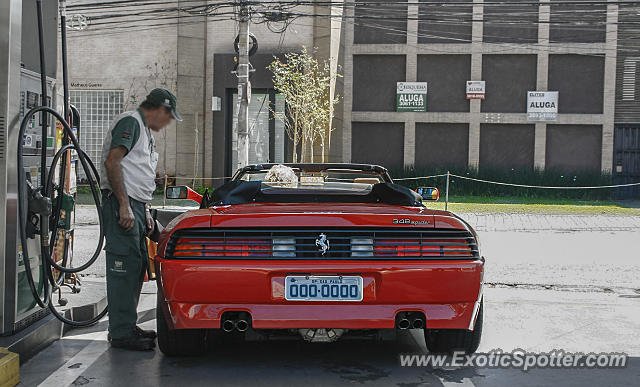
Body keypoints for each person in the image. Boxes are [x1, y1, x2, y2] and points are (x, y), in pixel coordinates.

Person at [100, 88, 181, 350]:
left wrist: (142, 210)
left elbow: (135, 171)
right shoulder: (131, 122)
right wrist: (124, 204)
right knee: (123, 265)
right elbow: (113, 162)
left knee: (135, 264)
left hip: (134, 204)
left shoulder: (144, 131)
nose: (167, 123)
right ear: (159, 110)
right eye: (168, 117)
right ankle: (121, 333)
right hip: (121, 203)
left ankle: (126, 325)